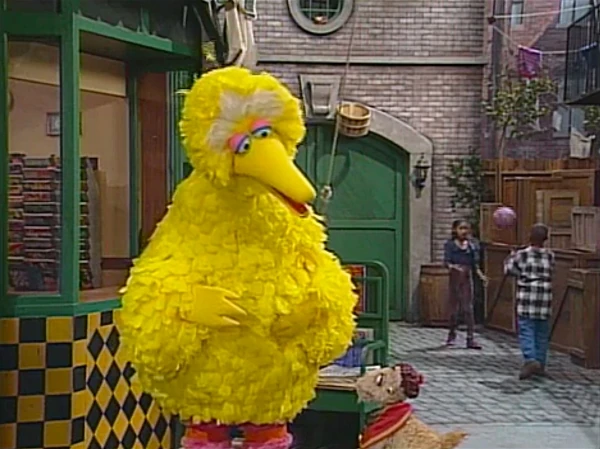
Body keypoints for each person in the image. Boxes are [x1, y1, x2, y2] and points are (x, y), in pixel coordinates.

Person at [504, 223, 555, 380]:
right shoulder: (550, 255)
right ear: (545, 239)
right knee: (542, 332)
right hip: (544, 296)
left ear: (530, 237)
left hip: (527, 296)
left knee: (526, 329)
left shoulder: (522, 255)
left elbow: (509, 269)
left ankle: (530, 359)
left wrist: (511, 256)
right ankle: (540, 363)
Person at [443, 220, 488, 349]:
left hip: (467, 278)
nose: (464, 231)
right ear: (455, 230)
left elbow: (475, 265)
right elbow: (447, 262)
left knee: (468, 309)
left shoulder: (472, 246)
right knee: (454, 309)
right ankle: (452, 334)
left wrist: (481, 276)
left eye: (466, 229)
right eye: (461, 228)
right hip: (455, 277)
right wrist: (454, 267)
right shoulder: (450, 245)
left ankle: (470, 338)